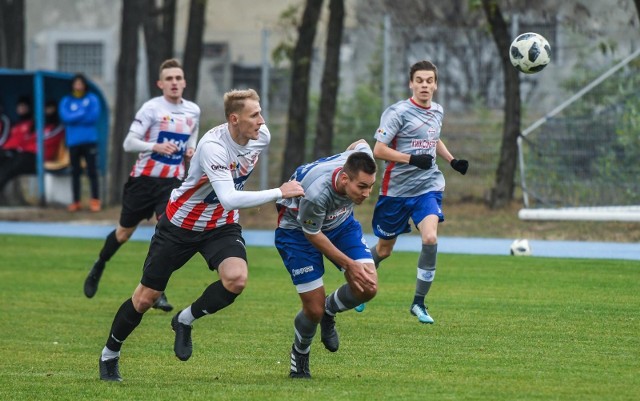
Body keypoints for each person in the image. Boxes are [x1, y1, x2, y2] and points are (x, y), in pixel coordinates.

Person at [97, 88, 304, 382]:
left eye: (260, 113)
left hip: (220, 226)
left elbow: (228, 205)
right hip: (180, 225)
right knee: (145, 298)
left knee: (236, 279)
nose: (262, 121)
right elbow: (230, 197)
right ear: (234, 119)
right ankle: (109, 354)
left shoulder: (261, 136)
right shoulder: (213, 147)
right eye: (254, 115)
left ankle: (185, 319)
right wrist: (278, 192)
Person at [83, 59, 201, 314]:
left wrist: (191, 149)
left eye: (178, 78)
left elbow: (192, 135)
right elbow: (128, 143)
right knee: (123, 234)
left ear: (184, 82)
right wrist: (155, 146)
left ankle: (157, 289)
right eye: (169, 79)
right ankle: (100, 263)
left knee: (165, 230)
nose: (174, 83)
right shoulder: (151, 109)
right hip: (143, 182)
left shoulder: (193, 110)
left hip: (172, 183)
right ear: (160, 84)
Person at [364, 60, 469, 324]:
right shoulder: (397, 112)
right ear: (411, 83)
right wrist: (411, 159)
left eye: (429, 81)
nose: (424, 85)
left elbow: (433, 139)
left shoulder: (438, 111)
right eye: (419, 80)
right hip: (396, 192)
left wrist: (452, 160)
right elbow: (378, 150)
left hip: (428, 187)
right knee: (384, 250)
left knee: (430, 238)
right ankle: (359, 280)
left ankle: (419, 303)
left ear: (435, 84)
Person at [275, 139, 378, 379]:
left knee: (368, 287)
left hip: (341, 225)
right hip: (297, 233)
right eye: (361, 187)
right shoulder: (316, 193)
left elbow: (361, 143)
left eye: (371, 186)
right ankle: (300, 354)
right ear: (344, 179)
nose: (366, 194)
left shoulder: (362, 158)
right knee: (313, 309)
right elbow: (313, 234)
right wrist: (348, 264)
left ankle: (329, 311)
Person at [59, 73, 102, 212]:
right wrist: (82, 112)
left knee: (92, 171)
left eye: (81, 83)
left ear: (84, 85)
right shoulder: (66, 100)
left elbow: (93, 117)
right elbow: (65, 117)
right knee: (75, 172)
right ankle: (76, 201)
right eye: (76, 83)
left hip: (89, 140)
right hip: (73, 141)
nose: (78, 86)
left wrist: (75, 116)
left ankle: (95, 200)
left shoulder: (92, 99)